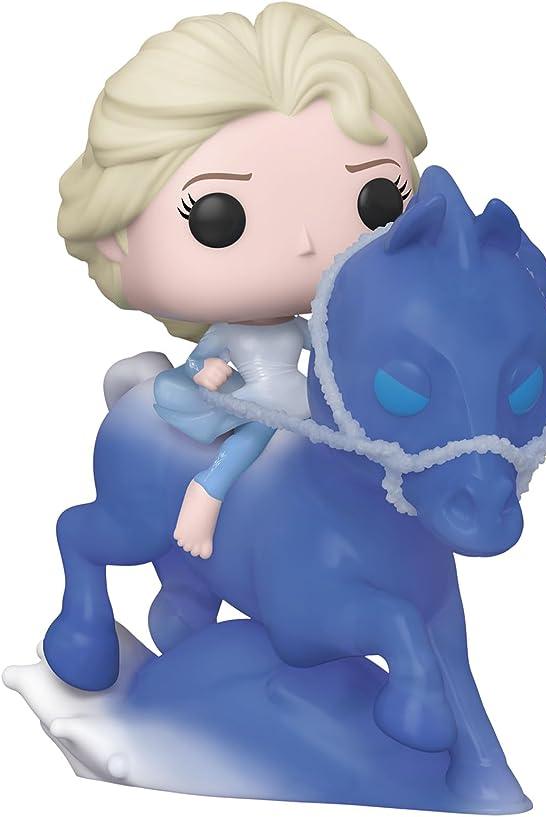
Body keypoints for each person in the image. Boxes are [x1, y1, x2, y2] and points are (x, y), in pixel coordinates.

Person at [58, 3, 426, 558]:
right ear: (114, 234)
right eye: (217, 216)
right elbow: (204, 359)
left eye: (378, 202)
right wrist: (205, 370)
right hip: (253, 400)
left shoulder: (309, 327)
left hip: (300, 399)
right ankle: (206, 495)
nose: (305, 242)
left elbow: (329, 349)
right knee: (258, 433)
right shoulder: (230, 334)